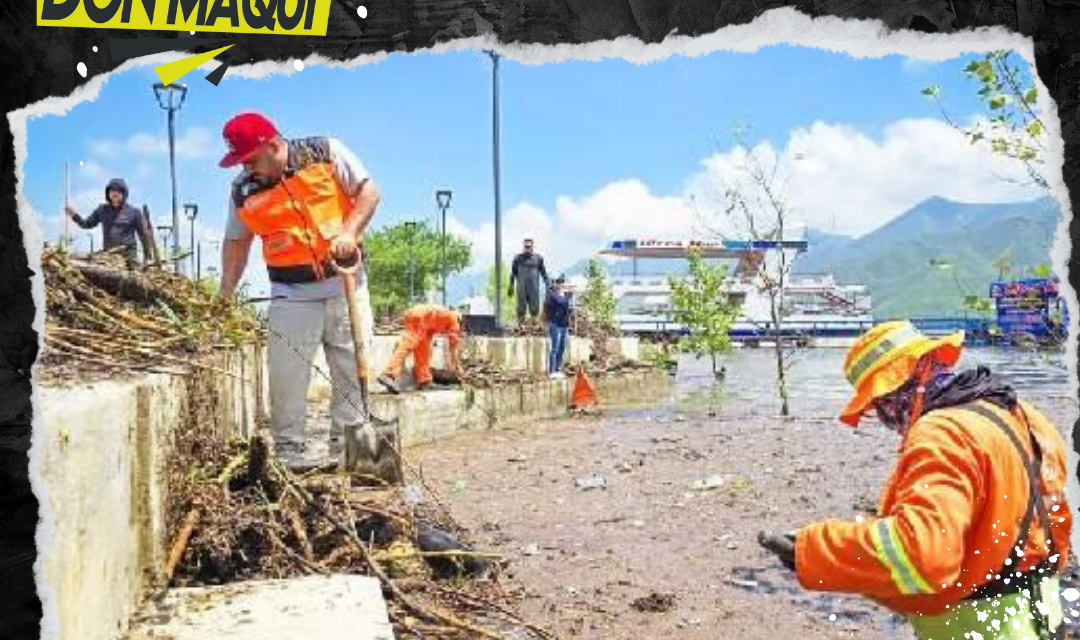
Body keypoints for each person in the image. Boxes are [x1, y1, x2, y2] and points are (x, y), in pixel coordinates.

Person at [758, 320, 1073, 640]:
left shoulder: (943, 433)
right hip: (1043, 617)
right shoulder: (1022, 415)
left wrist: (815, 550)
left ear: (899, 388)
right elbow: (1055, 522)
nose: (884, 417)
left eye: (879, 403)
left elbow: (922, 555)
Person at [216, 112, 380, 468]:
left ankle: (349, 452)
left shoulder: (325, 152)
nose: (246, 170)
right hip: (291, 293)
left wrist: (349, 232)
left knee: (352, 372)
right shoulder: (243, 191)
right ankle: (290, 453)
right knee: (286, 377)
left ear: (273, 145)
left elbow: (369, 192)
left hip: (346, 283)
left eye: (250, 160)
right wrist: (223, 298)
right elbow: (235, 245)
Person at [65, 178, 156, 267]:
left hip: (129, 259)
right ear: (108, 193)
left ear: (124, 193)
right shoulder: (102, 210)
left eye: (118, 190)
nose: (115, 193)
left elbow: (144, 236)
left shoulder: (135, 212)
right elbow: (86, 224)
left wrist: (148, 257)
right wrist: (74, 216)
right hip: (109, 258)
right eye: (112, 190)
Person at [377, 304, 465, 394]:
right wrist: (457, 367)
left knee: (424, 350)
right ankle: (388, 374)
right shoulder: (454, 319)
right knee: (408, 344)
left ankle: (424, 380)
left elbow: (433, 326)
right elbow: (453, 347)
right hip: (420, 317)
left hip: (421, 318)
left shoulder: (443, 317)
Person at [509, 238, 549, 324]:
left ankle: (534, 326)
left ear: (532, 247)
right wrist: (511, 285)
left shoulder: (538, 258)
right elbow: (513, 273)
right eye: (526, 246)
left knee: (534, 307)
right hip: (521, 288)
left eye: (529, 246)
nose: (527, 248)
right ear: (523, 246)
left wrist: (547, 283)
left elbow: (543, 272)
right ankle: (520, 325)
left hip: (534, 288)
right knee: (521, 308)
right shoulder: (517, 258)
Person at [543, 275, 572, 378]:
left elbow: (568, 308)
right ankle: (552, 371)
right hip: (555, 324)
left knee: (562, 348)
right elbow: (559, 302)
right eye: (559, 282)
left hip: (564, 325)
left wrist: (569, 293)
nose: (561, 284)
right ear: (555, 284)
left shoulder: (565, 295)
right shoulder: (552, 295)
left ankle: (558, 369)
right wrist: (568, 295)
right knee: (555, 348)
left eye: (562, 282)